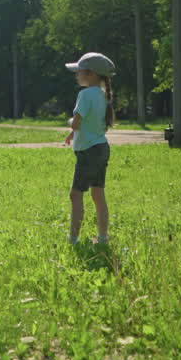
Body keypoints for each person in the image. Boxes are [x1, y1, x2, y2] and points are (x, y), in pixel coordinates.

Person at [63, 52, 116, 247]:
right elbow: (94, 123)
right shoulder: (103, 95)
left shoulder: (84, 94)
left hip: (88, 152)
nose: (76, 74)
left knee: (76, 195)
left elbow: (77, 122)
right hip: (101, 148)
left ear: (91, 74)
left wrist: (70, 123)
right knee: (98, 194)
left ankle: (73, 239)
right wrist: (73, 134)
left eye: (79, 71)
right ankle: (102, 238)